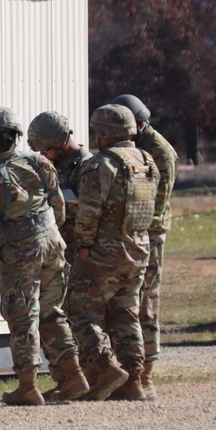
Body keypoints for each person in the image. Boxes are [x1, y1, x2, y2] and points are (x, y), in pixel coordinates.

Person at [0, 108, 88, 406]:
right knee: (52, 310)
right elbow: (59, 207)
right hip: (53, 245)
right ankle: (74, 374)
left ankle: (28, 386)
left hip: (19, 254)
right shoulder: (41, 163)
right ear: (17, 137)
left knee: (22, 317)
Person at [66, 104, 158, 402]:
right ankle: (135, 381)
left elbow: (89, 212)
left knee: (79, 309)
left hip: (102, 253)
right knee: (126, 314)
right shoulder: (147, 161)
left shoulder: (101, 165)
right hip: (138, 250)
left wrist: (82, 245)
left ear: (105, 134)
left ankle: (106, 367)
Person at [111, 94, 177, 402]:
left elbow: (155, 201)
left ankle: (146, 374)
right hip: (134, 234)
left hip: (149, 234)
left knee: (146, 304)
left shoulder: (159, 152)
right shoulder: (136, 148)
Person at [27, 110, 96, 395]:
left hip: (80, 253)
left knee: (78, 316)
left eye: (45, 148)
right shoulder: (53, 165)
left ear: (60, 143)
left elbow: (91, 209)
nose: (43, 154)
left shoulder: (89, 167)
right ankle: (67, 379)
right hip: (58, 253)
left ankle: (89, 377)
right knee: (56, 316)